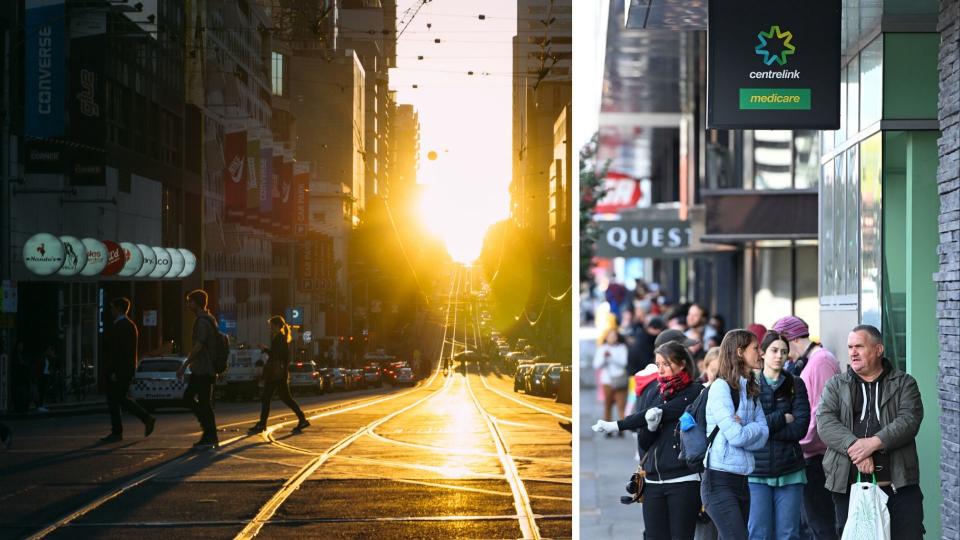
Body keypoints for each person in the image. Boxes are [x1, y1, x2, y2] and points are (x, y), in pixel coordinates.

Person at [817, 325, 924, 539]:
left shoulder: (904, 383)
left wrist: (873, 443)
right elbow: (825, 422)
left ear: (878, 349)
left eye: (859, 346)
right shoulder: (836, 385)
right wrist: (857, 450)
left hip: (898, 488)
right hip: (848, 488)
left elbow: (909, 420)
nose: (853, 352)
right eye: (850, 347)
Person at [593, 341, 705, 539]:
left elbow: (665, 411)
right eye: (658, 364)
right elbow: (644, 443)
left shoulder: (694, 392)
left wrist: (616, 425)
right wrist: (651, 428)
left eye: (666, 364)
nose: (660, 370)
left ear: (682, 364)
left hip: (683, 481)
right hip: (653, 482)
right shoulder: (655, 391)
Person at [769, 316, 840, 540]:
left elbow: (820, 411)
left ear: (791, 339)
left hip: (816, 456)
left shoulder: (820, 361)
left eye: (782, 347)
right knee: (810, 523)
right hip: (810, 454)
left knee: (819, 522)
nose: (780, 354)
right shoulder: (814, 361)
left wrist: (798, 442)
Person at [702, 329, 769, 540]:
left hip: (742, 480)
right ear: (740, 352)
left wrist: (746, 427)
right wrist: (752, 428)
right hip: (718, 481)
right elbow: (737, 437)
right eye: (755, 348)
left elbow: (765, 433)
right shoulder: (721, 388)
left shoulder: (750, 388)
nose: (761, 353)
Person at [747, 331, 811, 540]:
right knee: (758, 533)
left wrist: (763, 430)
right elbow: (748, 429)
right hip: (756, 471)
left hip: (790, 469)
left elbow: (800, 428)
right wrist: (783, 417)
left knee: (789, 534)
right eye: (774, 350)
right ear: (763, 353)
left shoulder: (795, 384)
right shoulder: (749, 384)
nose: (779, 356)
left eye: (784, 352)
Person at [101, 297, 156, 443]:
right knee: (118, 399)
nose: (111, 310)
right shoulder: (128, 325)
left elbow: (118, 351)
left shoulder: (122, 326)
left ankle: (141, 420)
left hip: (120, 371)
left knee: (117, 399)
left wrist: (114, 371)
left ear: (119, 308)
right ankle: (120, 429)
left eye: (113, 307)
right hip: (124, 369)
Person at [248, 316, 310, 434]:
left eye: (272, 325)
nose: (270, 328)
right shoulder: (280, 338)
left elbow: (276, 355)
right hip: (279, 373)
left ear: (277, 326)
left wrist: (265, 349)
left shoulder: (279, 338)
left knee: (268, 397)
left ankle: (262, 424)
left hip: (276, 374)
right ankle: (302, 419)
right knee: (284, 397)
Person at [178, 289, 220, 448]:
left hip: (203, 369)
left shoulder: (202, 321)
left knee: (190, 398)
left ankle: (209, 432)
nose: (188, 304)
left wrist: (184, 364)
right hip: (206, 369)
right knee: (204, 403)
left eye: (190, 301)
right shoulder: (210, 319)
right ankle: (210, 434)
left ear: (196, 303)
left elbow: (199, 345)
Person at [593, 327, 629, 438]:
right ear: (606, 337)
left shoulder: (622, 348)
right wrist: (604, 358)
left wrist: (611, 357)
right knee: (607, 406)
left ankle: (621, 428)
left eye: (614, 336)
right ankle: (607, 429)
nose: (612, 338)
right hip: (607, 381)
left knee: (621, 406)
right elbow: (596, 365)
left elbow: (624, 363)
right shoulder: (602, 348)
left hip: (620, 380)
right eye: (610, 336)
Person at [35, 345, 56, 412]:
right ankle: (40, 405)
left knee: (44, 391)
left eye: (50, 350)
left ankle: (41, 405)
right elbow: (39, 367)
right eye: (48, 350)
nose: (49, 351)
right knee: (42, 391)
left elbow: (51, 366)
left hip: (46, 375)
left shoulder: (48, 358)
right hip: (42, 376)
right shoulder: (42, 358)